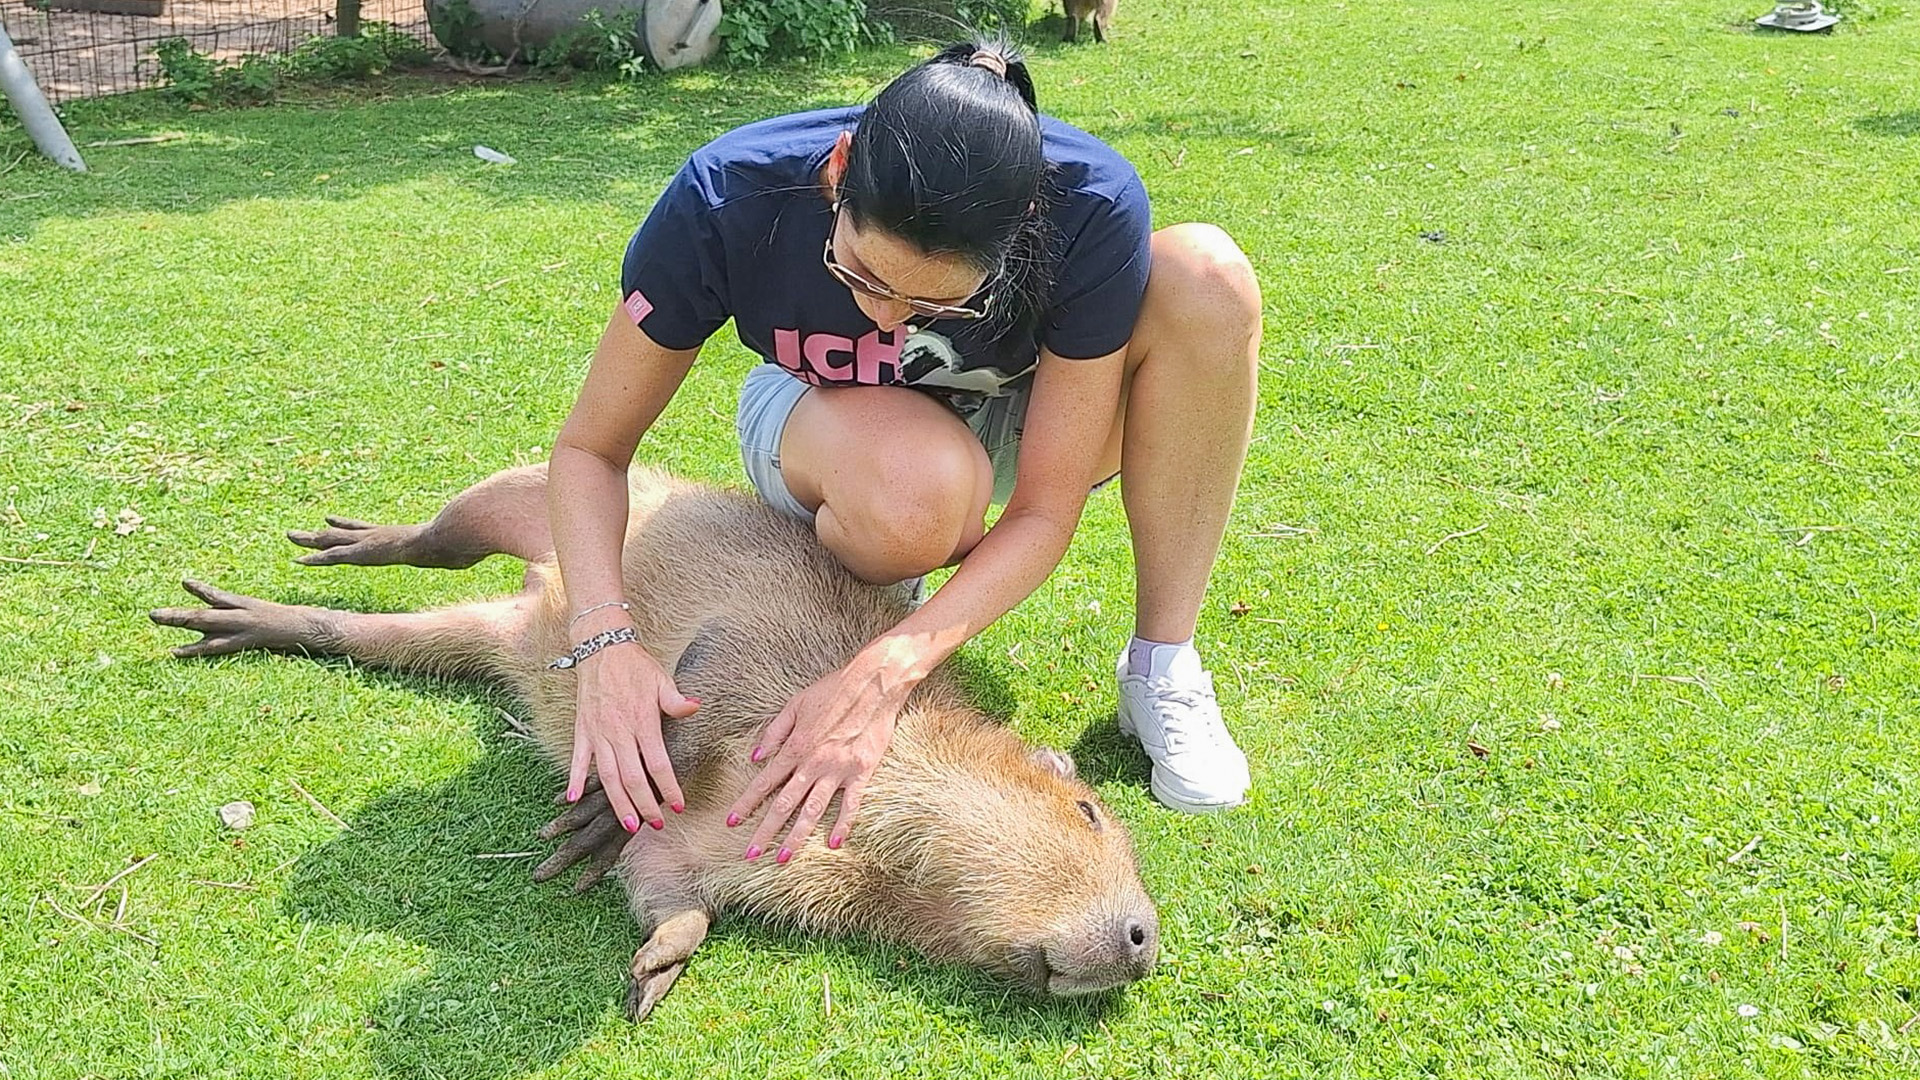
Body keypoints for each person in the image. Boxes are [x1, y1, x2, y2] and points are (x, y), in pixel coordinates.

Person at [548, 39, 1262, 863]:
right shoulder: (725, 193)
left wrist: (887, 674)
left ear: (1025, 224)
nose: (886, 321)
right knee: (916, 493)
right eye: (859, 273)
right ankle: (878, 569)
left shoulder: (1088, 206)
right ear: (839, 168)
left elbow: (1042, 509)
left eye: (935, 299)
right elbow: (590, 451)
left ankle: (1161, 667)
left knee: (1209, 274)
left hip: (1017, 413)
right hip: (828, 419)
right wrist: (606, 643)